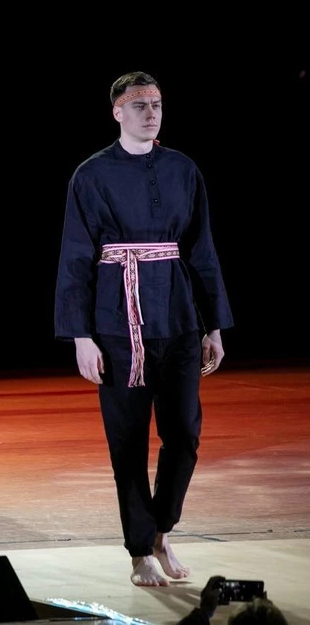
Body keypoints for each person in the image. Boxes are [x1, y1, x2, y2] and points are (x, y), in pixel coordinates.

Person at [54, 71, 234, 587]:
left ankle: (161, 531)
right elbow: (75, 257)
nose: (150, 113)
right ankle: (139, 551)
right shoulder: (91, 175)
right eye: (139, 105)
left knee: (185, 434)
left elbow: (202, 249)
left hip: (177, 317)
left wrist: (214, 325)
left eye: (156, 104)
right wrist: (81, 336)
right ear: (117, 112)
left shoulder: (182, 169)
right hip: (118, 323)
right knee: (128, 440)